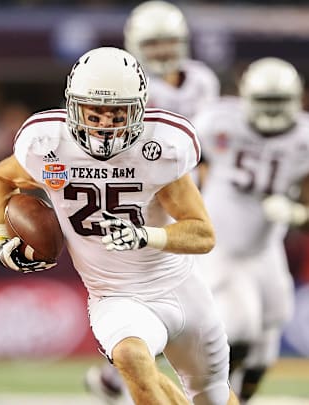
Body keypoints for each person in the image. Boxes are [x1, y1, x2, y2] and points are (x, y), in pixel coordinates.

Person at [0, 46, 238, 405]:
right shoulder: (47, 144)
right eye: (94, 112)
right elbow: (2, 179)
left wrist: (144, 236)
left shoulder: (161, 148)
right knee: (131, 357)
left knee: (212, 397)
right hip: (113, 293)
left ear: (138, 109)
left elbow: (202, 233)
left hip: (181, 288)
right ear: (73, 107)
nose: (104, 125)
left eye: (117, 113)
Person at [83, 2, 222, 403]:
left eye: (169, 41)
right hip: (137, 199)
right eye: (153, 42)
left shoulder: (202, 80)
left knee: (193, 315)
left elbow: (206, 149)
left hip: (184, 201)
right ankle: (126, 373)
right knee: (149, 308)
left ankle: (119, 379)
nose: (162, 51)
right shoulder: (125, 84)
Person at [193, 56, 309, 403]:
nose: (272, 111)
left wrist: (296, 212)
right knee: (240, 327)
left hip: (265, 248)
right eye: (265, 102)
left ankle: (239, 399)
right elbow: (181, 166)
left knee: (266, 346)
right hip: (221, 243)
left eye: (279, 102)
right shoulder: (217, 122)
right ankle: (207, 399)